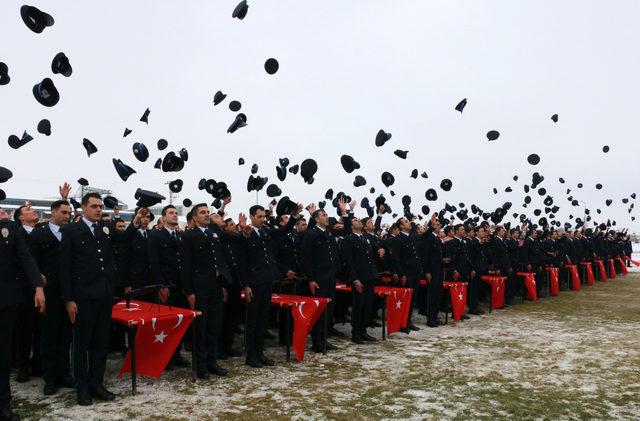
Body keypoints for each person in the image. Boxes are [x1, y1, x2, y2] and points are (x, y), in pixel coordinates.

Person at [59, 193, 142, 406]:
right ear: (84, 208)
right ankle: (82, 387)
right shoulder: (70, 231)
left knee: (100, 342)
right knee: (81, 344)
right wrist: (69, 299)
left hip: (104, 295)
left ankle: (97, 383)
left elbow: (123, 238)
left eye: (100, 206)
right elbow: (65, 269)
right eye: (94, 206)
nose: (98, 209)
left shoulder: (104, 228)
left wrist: (135, 221)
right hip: (83, 296)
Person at [240, 202, 300, 367]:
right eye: (258, 216)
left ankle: (260, 353)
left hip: (267, 280)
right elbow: (243, 261)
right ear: (251, 217)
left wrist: (294, 216)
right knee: (252, 320)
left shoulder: (266, 232)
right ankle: (250, 356)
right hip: (254, 282)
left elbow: (285, 230)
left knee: (263, 319)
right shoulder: (246, 233)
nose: (261, 219)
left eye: (263, 216)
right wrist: (246, 284)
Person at [0, 205, 45, 421]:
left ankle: (3, 404)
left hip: (5, 300)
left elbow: (25, 257)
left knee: (4, 353)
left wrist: (37, 285)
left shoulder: (9, 228)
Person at [181, 204, 233, 379]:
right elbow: (186, 266)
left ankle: (212, 362)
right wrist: (189, 291)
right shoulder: (189, 236)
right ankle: (200, 365)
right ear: (194, 218)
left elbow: (218, 261)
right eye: (202, 213)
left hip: (215, 287)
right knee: (201, 329)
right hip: (199, 289)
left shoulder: (213, 234)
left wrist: (222, 286)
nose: (206, 215)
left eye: (207, 212)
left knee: (214, 326)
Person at [29, 199, 74, 396]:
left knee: (66, 336)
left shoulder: (72, 234)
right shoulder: (40, 235)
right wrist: (37, 277)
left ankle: (64, 373)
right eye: (64, 212)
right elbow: (30, 261)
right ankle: (50, 378)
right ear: (53, 212)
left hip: (69, 293)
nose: (67, 216)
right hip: (49, 294)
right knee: (49, 337)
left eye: (69, 213)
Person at [300, 201, 347, 352]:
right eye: (323, 215)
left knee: (329, 309)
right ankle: (317, 342)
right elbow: (306, 259)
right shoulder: (311, 234)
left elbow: (346, 230)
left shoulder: (328, 233)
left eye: (327, 214)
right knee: (319, 311)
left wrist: (344, 211)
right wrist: (311, 279)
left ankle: (324, 339)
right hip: (318, 279)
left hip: (330, 277)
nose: (327, 217)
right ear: (316, 219)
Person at [148, 205, 190, 370]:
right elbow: (154, 263)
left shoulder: (181, 236)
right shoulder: (156, 236)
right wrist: (161, 285)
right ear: (163, 218)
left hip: (181, 285)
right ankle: (165, 357)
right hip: (167, 285)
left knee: (179, 323)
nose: (174, 215)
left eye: (175, 213)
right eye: (171, 213)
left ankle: (176, 354)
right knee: (166, 324)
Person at [12, 203, 42, 384]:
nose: (33, 211)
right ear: (21, 218)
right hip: (24, 290)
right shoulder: (16, 234)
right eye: (28, 210)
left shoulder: (40, 233)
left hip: (43, 289)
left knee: (40, 329)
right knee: (24, 330)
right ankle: (23, 366)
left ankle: (38, 364)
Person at [341, 216, 377, 344]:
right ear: (351, 226)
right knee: (359, 306)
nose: (359, 221)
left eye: (359, 219)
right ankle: (356, 333)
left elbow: (371, 258)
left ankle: (363, 330)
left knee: (368, 306)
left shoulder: (366, 238)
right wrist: (354, 279)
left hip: (370, 276)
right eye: (355, 220)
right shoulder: (348, 240)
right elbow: (349, 262)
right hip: (359, 278)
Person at [389, 217, 423, 331]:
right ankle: (402, 323)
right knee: (404, 300)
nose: (409, 223)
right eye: (406, 222)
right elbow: (395, 259)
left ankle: (408, 321)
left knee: (412, 299)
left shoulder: (411, 237)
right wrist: (401, 274)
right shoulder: (398, 239)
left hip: (415, 272)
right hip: (407, 274)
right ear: (401, 226)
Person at [421, 213, 445, 327]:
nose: (439, 226)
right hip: (431, 270)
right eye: (437, 224)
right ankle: (430, 319)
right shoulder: (429, 237)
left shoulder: (438, 239)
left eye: (439, 225)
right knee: (432, 295)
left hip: (439, 269)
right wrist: (427, 271)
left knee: (438, 294)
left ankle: (435, 316)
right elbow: (425, 255)